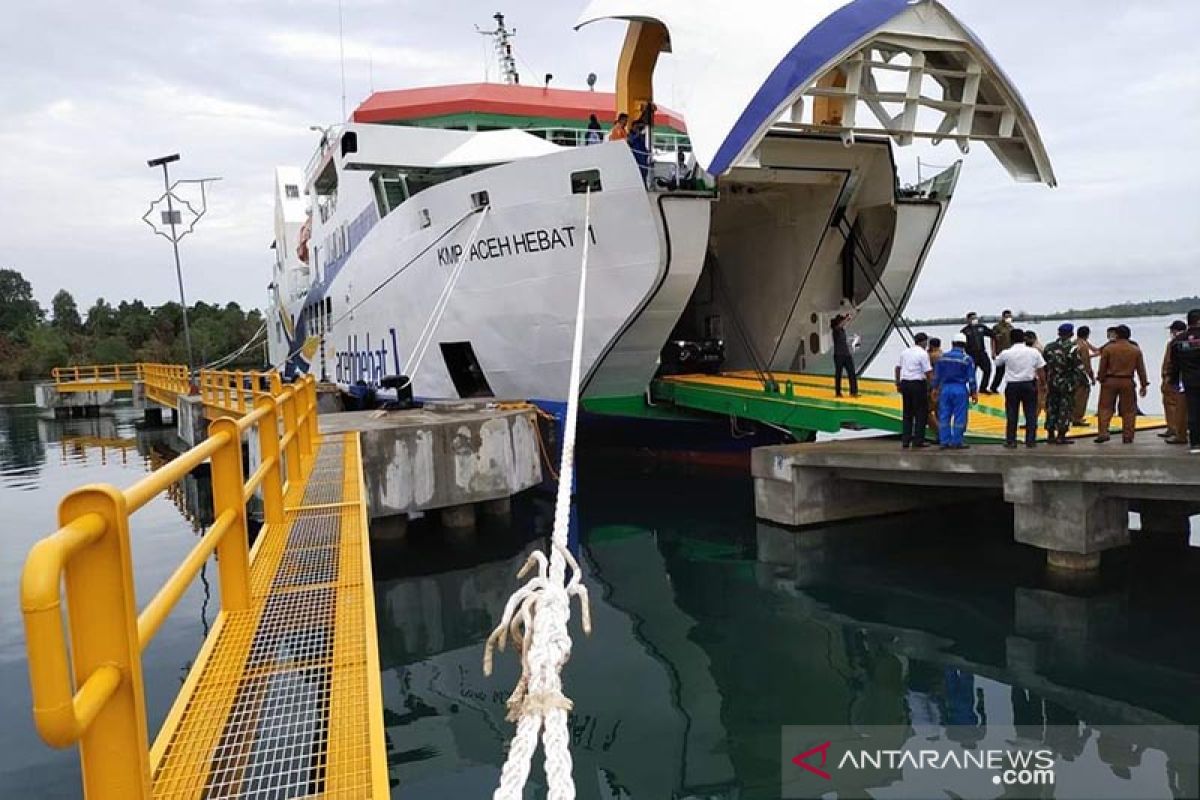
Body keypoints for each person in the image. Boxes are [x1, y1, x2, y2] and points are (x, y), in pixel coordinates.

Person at [1094, 324, 1148, 443]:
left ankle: (1103, 432)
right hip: (1127, 381)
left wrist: (1101, 378)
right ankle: (1128, 436)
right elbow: (1141, 369)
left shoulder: (1109, 348)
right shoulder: (1135, 349)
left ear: (1117, 335)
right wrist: (1144, 384)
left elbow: (1102, 366)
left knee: (1105, 408)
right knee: (1129, 410)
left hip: (1110, 380)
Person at [994, 329, 1046, 448]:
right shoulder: (1033, 352)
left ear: (1011, 339)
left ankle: (1011, 441)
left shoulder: (1006, 353)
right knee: (1031, 413)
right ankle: (1030, 440)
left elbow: (997, 363)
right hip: (1029, 384)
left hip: (1012, 386)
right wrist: (1043, 384)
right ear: (1023, 338)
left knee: (1012, 413)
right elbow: (1041, 369)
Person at [1042, 323, 1089, 445]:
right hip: (1067, 383)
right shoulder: (1073, 348)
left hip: (1052, 382)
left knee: (1052, 408)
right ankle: (1061, 436)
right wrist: (1084, 381)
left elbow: (1043, 365)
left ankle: (1050, 434)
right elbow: (1079, 368)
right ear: (1071, 334)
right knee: (1065, 408)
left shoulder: (1049, 347)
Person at [932, 334, 978, 449]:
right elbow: (971, 378)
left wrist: (934, 388)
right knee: (960, 416)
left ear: (952, 343)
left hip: (945, 389)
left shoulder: (942, 358)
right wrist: (974, 392)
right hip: (960, 389)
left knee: (944, 415)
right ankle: (957, 442)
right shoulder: (966, 359)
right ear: (965, 344)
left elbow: (936, 376)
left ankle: (944, 441)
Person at [1167, 309, 1200, 454]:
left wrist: (1173, 381)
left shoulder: (1177, 341)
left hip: (1189, 380)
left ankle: (1196, 443)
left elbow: (1174, 365)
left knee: (1193, 412)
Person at [894, 332, 933, 449]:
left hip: (905, 383)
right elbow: (928, 372)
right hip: (917, 384)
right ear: (923, 342)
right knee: (921, 413)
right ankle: (918, 440)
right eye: (926, 341)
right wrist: (933, 387)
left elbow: (897, 368)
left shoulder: (905, 352)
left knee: (907, 413)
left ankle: (905, 440)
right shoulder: (923, 354)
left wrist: (898, 383)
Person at [1161, 320, 1189, 443]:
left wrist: (1167, 376)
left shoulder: (1173, 343)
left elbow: (1169, 362)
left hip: (1175, 379)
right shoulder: (1191, 340)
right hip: (1189, 378)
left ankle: (1174, 428)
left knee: (1170, 403)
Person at [960, 312, 995, 393]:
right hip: (971, 354)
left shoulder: (981, 327)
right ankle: (972, 390)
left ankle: (983, 388)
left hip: (982, 353)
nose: (975, 320)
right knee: (971, 373)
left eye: (976, 318)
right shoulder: (964, 331)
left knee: (988, 370)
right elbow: (960, 344)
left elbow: (992, 334)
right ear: (968, 320)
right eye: (972, 318)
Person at [1071, 325, 1096, 426]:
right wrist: (1092, 377)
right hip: (1080, 374)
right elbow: (1086, 363)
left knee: (1073, 395)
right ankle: (1077, 418)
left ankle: (1071, 416)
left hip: (1070, 373)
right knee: (1082, 395)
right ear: (1087, 334)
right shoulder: (1083, 346)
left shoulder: (1073, 343)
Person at [831, 313, 859, 397]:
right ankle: (838, 392)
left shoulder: (842, 330)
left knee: (852, 373)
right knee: (839, 374)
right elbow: (840, 325)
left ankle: (853, 391)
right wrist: (846, 319)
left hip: (846, 354)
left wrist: (847, 319)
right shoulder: (835, 330)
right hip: (839, 355)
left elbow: (842, 325)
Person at [989, 310, 1015, 392]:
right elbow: (993, 340)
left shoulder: (1011, 327)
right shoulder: (997, 327)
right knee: (1000, 372)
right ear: (1003, 317)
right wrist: (993, 352)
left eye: (1010, 316)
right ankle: (993, 387)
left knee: (1011, 372)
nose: (1008, 318)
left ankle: (1009, 388)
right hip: (1000, 352)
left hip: (1010, 353)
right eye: (1007, 316)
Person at [927, 337, 943, 433]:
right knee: (939, 410)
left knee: (927, 410)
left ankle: (939, 432)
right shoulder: (942, 354)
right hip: (943, 384)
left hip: (934, 385)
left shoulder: (931, 356)